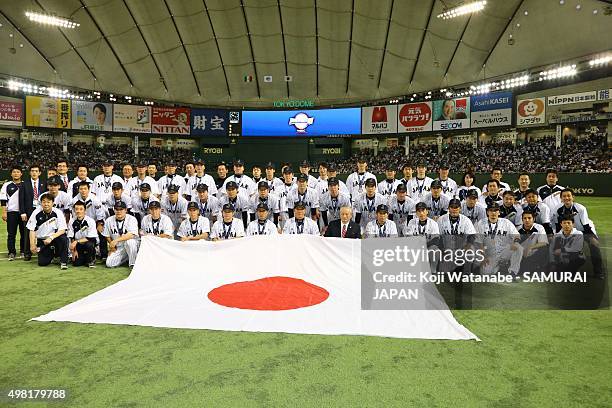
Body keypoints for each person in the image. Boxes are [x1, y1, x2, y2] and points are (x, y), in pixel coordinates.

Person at [551, 189, 603, 279]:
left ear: (573, 197)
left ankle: (598, 272)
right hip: (567, 231)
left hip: (583, 230)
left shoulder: (580, 208)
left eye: (569, 196)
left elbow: (586, 226)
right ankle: (562, 269)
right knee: (558, 247)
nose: (566, 198)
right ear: (561, 198)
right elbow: (557, 225)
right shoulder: (557, 209)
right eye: (564, 196)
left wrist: (592, 238)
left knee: (594, 246)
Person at [475, 203, 523, 278]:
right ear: (487, 212)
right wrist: (483, 257)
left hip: (505, 250)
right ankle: (499, 268)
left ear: (499, 212)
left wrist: (515, 242)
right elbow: (478, 243)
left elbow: (517, 235)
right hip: (490, 254)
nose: (493, 213)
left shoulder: (506, 222)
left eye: (495, 210)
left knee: (518, 247)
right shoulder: (480, 223)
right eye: (491, 210)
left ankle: (513, 272)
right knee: (485, 273)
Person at [26, 193, 68, 269]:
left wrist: (51, 237)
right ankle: (53, 255)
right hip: (42, 240)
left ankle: (63, 261)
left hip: (54, 238)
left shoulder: (58, 212)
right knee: (42, 263)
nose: (46, 204)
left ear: (52, 203)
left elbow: (62, 230)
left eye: (48, 202)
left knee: (64, 238)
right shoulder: (36, 212)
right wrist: (32, 244)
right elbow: (32, 230)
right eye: (44, 202)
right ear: (41, 203)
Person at [19, 164, 46, 261]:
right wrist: (23, 212)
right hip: (28, 211)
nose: (34, 173)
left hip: (41, 210)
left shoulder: (44, 183)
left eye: (36, 171)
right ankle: (27, 253)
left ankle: (42, 251)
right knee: (28, 232)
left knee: (43, 230)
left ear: (39, 173)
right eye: (32, 171)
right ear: (30, 172)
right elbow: (21, 199)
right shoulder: (24, 184)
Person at [102, 201, 139, 269]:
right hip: (119, 247)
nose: (119, 211)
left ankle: (132, 264)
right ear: (114, 210)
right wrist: (112, 246)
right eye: (117, 209)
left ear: (125, 210)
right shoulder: (109, 220)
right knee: (109, 263)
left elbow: (131, 235)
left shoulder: (132, 219)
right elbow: (107, 235)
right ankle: (127, 257)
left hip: (132, 245)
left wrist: (116, 240)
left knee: (130, 242)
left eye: (121, 209)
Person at [1, 166, 24, 260]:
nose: (16, 173)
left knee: (24, 233)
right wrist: (4, 212)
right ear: (11, 174)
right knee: (11, 234)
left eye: (18, 172)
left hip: (23, 213)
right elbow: (3, 200)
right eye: (14, 172)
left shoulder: (25, 184)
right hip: (11, 213)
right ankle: (11, 252)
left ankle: (23, 251)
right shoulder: (7, 185)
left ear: (21, 173)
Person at [67, 200, 98, 268]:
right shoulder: (72, 221)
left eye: (81, 209)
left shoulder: (90, 221)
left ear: (85, 210)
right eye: (76, 209)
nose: (78, 211)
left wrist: (76, 241)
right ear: (74, 210)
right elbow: (71, 237)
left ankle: (91, 259)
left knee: (89, 245)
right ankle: (84, 257)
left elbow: (91, 237)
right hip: (78, 245)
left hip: (89, 242)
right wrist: (74, 250)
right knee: (76, 263)